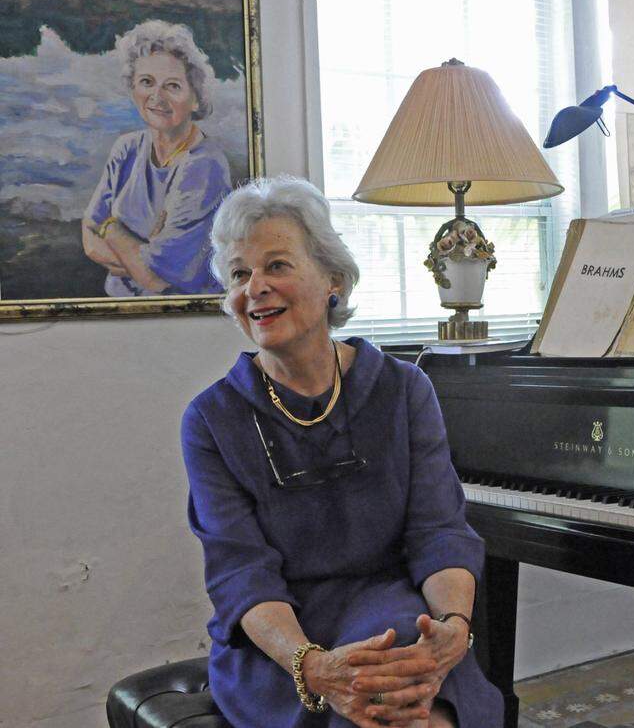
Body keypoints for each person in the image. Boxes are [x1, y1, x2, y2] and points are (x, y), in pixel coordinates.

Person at [181, 175, 503, 727]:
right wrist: (314, 667)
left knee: (401, 679)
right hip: (279, 642)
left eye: (276, 265)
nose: (254, 286)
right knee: (396, 705)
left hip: (391, 614)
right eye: (239, 273)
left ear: (332, 279)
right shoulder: (212, 419)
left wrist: (452, 627)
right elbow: (241, 575)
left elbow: (439, 530)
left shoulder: (403, 390)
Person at [82, 20, 231, 296]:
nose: (156, 97)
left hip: (177, 317)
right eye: (146, 82)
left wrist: (112, 230)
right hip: (117, 307)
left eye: (172, 86)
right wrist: (141, 256)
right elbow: (89, 238)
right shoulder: (126, 148)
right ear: (133, 88)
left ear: (195, 98)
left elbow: (160, 280)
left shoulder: (205, 165)